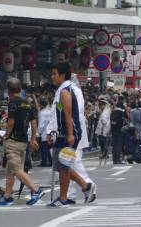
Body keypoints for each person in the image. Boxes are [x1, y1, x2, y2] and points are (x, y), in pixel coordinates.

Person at [46, 62, 94, 207]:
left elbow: (68, 114)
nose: (52, 76)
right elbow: (57, 113)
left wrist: (70, 134)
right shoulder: (61, 90)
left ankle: (63, 197)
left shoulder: (66, 90)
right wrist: (52, 130)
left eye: (54, 74)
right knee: (62, 165)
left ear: (62, 75)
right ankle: (84, 187)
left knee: (64, 165)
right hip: (62, 132)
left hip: (68, 132)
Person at [0, 78, 46, 206]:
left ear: (9, 90)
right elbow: (34, 123)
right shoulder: (27, 103)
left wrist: (6, 135)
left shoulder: (13, 103)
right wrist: (33, 139)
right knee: (11, 169)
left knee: (16, 169)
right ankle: (7, 196)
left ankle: (35, 190)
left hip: (13, 141)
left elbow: (10, 122)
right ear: (20, 89)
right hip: (24, 142)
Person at [37, 98, 54, 167]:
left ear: (41, 105)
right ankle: (51, 161)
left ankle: (44, 162)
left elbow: (41, 125)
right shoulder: (51, 111)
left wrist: (39, 133)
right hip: (52, 132)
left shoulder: (42, 113)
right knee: (49, 147)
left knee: (44, 148)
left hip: (44, 133)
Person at [110, 96, 127, 164]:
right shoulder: (121, 111)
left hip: (113, 130)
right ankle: (118, 159)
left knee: (114, 145)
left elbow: (111, 120)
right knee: (119, 145)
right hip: (119, 130)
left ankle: (114, 159)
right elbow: (122, 121)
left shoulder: (113, 111)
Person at [95, 96, 111, 162]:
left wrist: (102, 121)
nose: (100, 106)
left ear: (104, 105)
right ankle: (104, 154)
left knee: (103, 143)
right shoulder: (107, 110)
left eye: (101, 105)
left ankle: (104, 154)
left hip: (103, 129)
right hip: (104, 129)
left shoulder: (105, 112)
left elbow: (104, 121)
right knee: (103, 142)